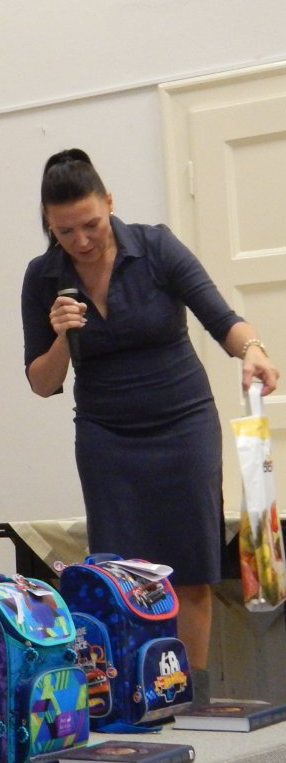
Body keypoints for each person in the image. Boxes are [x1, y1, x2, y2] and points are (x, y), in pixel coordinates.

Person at [21, 148, 279, 700]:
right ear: (49, 224)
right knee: (118, 576)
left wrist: (252, 351)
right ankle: (128, 696)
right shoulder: (43, 277)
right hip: (106, 436)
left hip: (183, 424)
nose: (81, 240)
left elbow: (221, 318)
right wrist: (62, 336)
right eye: (65, 231)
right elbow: (42, 383)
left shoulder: (155, 247)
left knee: (189, 569)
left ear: (110, 204)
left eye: (91, 224)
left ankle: (190, 695)